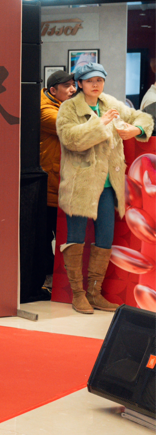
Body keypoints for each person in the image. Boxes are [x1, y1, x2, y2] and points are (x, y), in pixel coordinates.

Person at [56, 62, 153, 314]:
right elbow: (71, 139)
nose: (95, 85)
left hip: (109, 184)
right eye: (89, 80)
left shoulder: (110, 103)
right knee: (75, 238)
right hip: (80, 184)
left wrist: (136, 128)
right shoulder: (69, 108)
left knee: (105, 239)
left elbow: (143, 116)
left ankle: (94, 293)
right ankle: (78, 295)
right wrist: (100, 123)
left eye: (99, 80)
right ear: (79, 83)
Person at [39, 70, 77, 293]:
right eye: (67, 86)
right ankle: (48, 280)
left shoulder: (63, 105)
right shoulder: (45, 111)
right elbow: (70, 130)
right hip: (50, 185)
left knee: (63, 235)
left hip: (62, 183)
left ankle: (59, 281)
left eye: (73, 85)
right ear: (53, 90)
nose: (73, 89)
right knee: (47, 237)